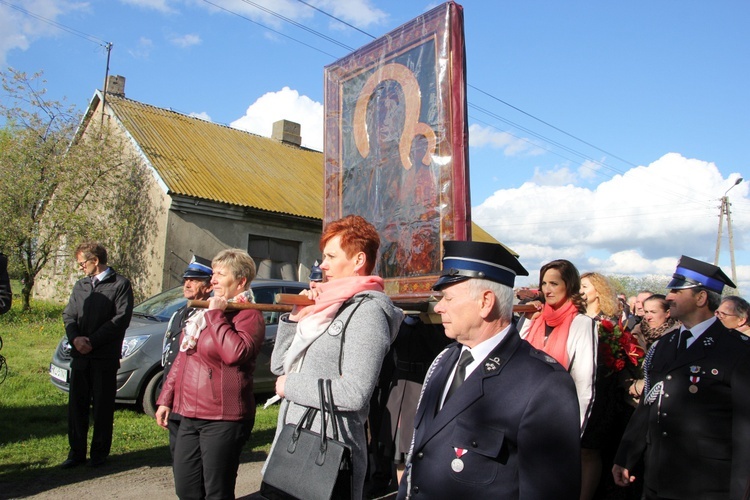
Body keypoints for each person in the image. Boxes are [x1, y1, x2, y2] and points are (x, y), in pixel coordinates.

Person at [398, 241, 581, 499]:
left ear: (485, 302)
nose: (438, 307)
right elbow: (420, 455)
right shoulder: (444, 361)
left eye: (448, 298)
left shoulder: (544, 385)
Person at [265, 215, 403, 500]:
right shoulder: (326, 307)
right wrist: (293, 320)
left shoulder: (367, 313)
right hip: (293, 437)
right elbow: (279, 366)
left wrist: (290, 387)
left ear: (358, 260)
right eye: (323, 256)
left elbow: (354, 393)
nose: (322, 264)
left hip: (328, 451)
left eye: (330, 256)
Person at [613, 256, 750, 499]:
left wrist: (741, 490)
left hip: (707, 483)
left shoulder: (737, 350)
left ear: (701, 298)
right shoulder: (665, 345)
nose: (669, 297)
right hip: (658, 477)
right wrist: (625, 456)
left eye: (677, 290)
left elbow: (745, 429)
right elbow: (649, 404)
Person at [155, 249, 265, 500]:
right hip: (188, 413)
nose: (213, 280)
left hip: (222, 418)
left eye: (221, 274)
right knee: (187, 490)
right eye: (213, 273)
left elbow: (235, 353)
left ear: (241, 281)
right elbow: (184, 356)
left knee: (216, 492)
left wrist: (216, 315)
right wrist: (166, 397)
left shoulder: (249, 315)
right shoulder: (202, 315)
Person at [61, 242, 134, 468]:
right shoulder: (80, 285)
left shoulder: (120, 284)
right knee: (77, 406)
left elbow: (120, 320)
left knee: (102, 407)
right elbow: (69, 315)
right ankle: (76, 452)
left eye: (83, 263)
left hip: (104, 357)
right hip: (80, 356)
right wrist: (76, 339)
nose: (81, 267)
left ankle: (99, 454)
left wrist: (92, 341)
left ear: (95, 261)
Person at [518, 259, 597, 429]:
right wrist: (527, 320)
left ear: (568, 285)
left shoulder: (581, 323)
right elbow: (517, 353)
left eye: (554, 283)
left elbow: (584, 382)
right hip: (522, 409)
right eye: (544, 283)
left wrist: (575, 432)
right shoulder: (536, 318)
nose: (547, 289)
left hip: (556, 414)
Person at [579, 272, 636, 500]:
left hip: (601, 392)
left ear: (598, 291)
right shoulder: (573, 317)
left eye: (585, 286)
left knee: (588, 450)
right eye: (579, 286)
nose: (580, 291)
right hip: (571, 389)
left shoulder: (610, 323)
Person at [160, 255, 213, 462]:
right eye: (186, 280)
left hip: (192, 393)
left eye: (194, 280)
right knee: (177, 451)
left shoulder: (208, 314)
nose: (187, 284)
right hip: (173, 389)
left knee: (190, 456)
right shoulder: (181, 312)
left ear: (208, 287)